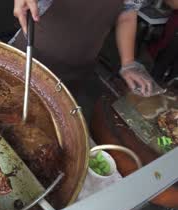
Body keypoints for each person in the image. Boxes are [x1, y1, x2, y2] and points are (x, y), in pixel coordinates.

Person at [11, 0, 159, 121]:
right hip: (32, 54)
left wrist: (128, 62)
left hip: (77, 68)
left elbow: (127, 13)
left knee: (45, 121)